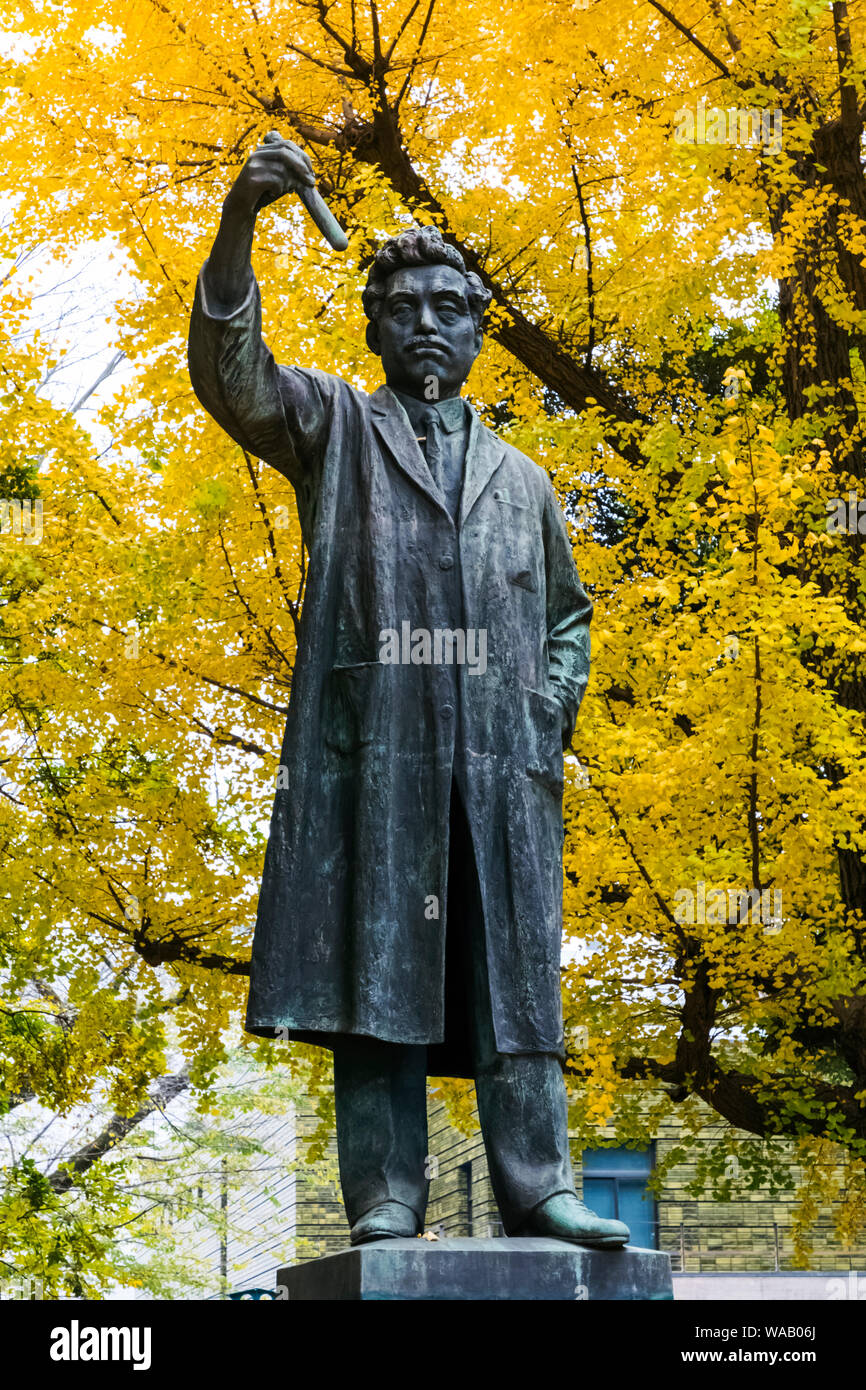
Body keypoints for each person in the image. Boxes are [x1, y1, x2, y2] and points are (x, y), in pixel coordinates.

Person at [188, 134, 629, 1249]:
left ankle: (537, 1183)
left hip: (501, 769)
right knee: (377, 965)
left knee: (516, 983)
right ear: (376, 328)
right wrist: (240, 221)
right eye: (403, 307)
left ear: (479, 334)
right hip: (377, 753)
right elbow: (229, 375)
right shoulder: (334, 428)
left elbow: (568, 617)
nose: (425, 322)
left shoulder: (523, 481)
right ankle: (384, 1194)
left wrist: (544, 710)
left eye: (448, 307)